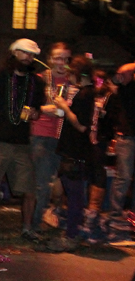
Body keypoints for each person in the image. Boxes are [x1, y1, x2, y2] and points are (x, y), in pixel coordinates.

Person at [0, 39, 46, 243]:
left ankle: (27, 228)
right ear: (14, 53)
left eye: (31, 55)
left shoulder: (36, 82)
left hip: (22, 143)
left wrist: (34, 114)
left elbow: (38, 109)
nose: (28, 58)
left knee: (29, 188)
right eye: (24, 53)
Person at [46, 55, 96, 252]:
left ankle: (72, 235)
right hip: (74, 151)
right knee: (72, 194)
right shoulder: (86, 93)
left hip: (76, 152)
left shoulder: (85, 94)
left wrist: (64, 107)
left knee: (74, 195)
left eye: (71, 73)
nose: (68, 77)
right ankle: (71, 232)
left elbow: (81, 125)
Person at [30, 43, 74, 232]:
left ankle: (47, 217)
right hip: (41, 135)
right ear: (50, 59)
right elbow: (24, 109)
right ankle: (34, 223)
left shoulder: (72, 82)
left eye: (65, 59)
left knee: (56, 181)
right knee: (42, 182)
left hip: (64, 137)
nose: (61, 63)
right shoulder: (40, 80)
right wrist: (43, 109)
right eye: (57, 58)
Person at [109, 61, 135, 216]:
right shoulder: (128, 84)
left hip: (128, 137)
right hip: (127, 137)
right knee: (123, 177)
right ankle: (115, 214)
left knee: (124, 178)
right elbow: (121, 71)